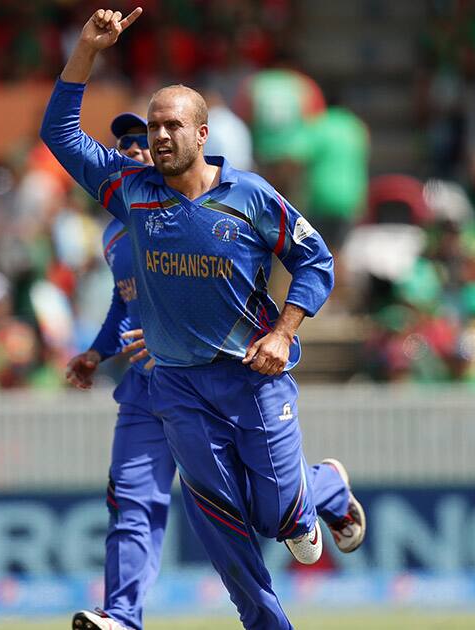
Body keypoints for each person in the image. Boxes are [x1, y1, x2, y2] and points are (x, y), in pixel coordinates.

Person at [41, 9, 364, 630]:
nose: (159, 137)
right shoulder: (130, 188)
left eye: (171, 126)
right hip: (177, 388)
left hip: (253, 379)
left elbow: (314, 260)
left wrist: (283, 331)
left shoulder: (250, 196)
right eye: (153, 126)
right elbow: (59, 133)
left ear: (202, 132)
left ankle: (320, 486)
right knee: (225, 535)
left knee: (276, 517)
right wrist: (87, 49)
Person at [63, 111, 175, 630]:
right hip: (142, 390)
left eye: (144, 142)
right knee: (131, 505)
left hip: (204, 383)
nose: (134, 150)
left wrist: (171, 343)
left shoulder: (190, 211)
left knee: (256, 501)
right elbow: (123, 302)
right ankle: (123, 618)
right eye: (125, 146)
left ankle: (326, 487)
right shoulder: (113, 234)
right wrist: (97, 352)